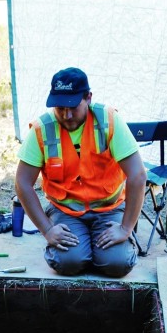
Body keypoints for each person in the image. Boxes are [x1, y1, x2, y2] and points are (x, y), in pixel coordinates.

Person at [15, 67, 147, 277]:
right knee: (69, 263)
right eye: (60, 108)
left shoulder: (108, 121)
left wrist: (125, 228)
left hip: (108, 209)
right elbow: (22, 183)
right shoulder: (42, 129)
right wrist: (47, 229)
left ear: (88, 97)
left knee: (117, 264)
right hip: (66, 212)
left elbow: (138, 176)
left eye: (73, 107)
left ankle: (98, 251)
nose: (66, 115)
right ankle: (86, 250)